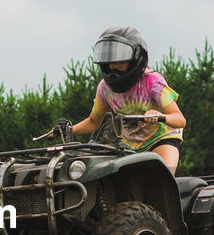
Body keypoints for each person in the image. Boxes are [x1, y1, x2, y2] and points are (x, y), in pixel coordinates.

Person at [70, 25, 186, 173]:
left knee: (161, 179)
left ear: (135, 59)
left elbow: (180, 120)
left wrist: (159, 116)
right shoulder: (104, 88)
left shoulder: (152, 81)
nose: (113, 67)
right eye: (110, 63)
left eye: (119, 62)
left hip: (161, 139)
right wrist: (68, 130)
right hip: (127, 148)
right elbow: (93, 121)